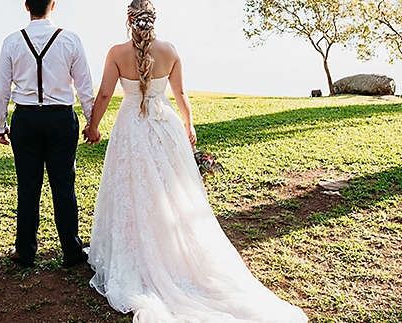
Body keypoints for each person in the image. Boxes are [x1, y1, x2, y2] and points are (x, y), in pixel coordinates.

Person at [84, 0, 310, 321]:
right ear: (151, 20)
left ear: (130, 20)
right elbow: (180, 94)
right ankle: (171, 248)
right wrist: (188, 125)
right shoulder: (170, 50)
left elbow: (105, 94)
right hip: (165, 127)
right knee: (171, 191)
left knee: (136, 189)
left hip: (132, 128)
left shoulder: (116, 53)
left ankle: (141, 249)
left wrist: (93, 125)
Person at [0, 0, 94, 268]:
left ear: (26, 6)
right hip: (61, 119)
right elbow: (84, 86)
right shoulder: (70, 39)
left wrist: (0, 125)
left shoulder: (12, 41)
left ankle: (25, 252)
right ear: (53, 5)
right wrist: (91, 121)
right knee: (63, 186)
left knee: (27, 187)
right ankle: (71, 251)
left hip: (25, 119)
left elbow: (1, 88)